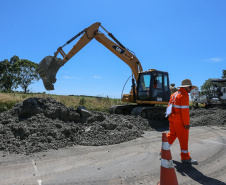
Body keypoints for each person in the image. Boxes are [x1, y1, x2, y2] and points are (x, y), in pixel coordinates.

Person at [166, 79, 198, 164]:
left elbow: (169, 107)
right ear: (186, 87)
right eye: (190, 87)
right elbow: (184, 111)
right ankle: (185, 158)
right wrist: (186, 124)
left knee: (172, 135)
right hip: (179, 120)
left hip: (172, 119)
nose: (191, 89)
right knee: (183, 138)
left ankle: (163, 151)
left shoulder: (174, 94)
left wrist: (170, 117)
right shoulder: (184, 95)